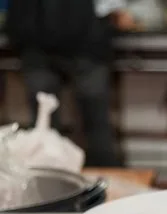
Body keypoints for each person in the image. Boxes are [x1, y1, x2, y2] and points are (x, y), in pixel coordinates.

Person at [6, 0, 137, 167]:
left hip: (80, 44)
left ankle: (103, 175)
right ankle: (51, 177)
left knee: (92, 126)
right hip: (43, 45)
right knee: (45, 127)